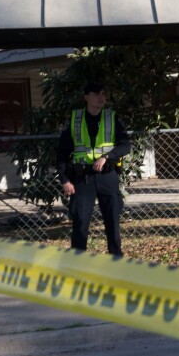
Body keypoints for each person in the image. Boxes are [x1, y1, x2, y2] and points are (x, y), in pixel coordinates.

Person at [56, 82, 131, 256]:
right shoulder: (75, 120)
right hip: (83, 179)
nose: (101, 97)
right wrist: (65, 179)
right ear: (86, 97)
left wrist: (106, 157)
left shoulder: (111, 118)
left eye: (103, 93)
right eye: (96, 94)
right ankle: (78, 265)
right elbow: (61, 153)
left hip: (108, 176)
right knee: (80, 223)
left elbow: (126, 145)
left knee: (112, 222)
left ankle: (116, 262)